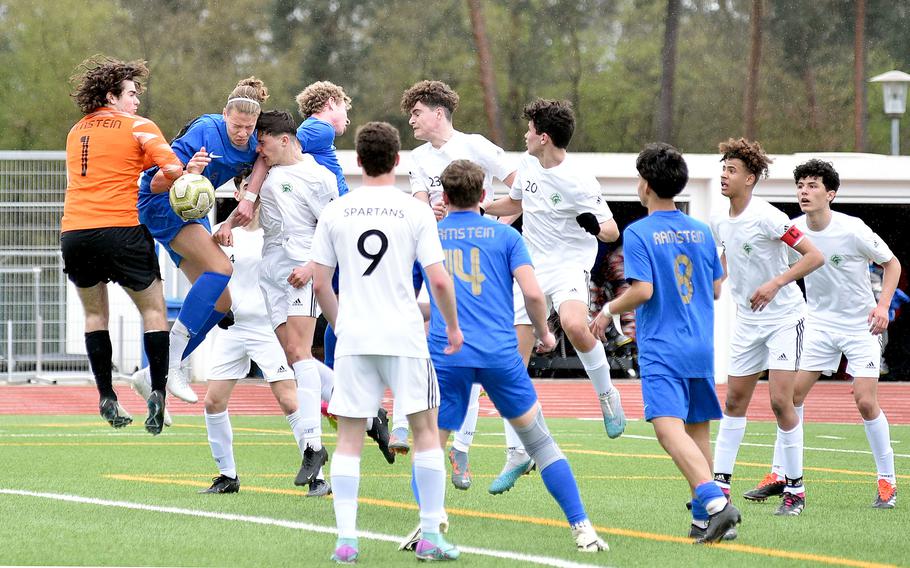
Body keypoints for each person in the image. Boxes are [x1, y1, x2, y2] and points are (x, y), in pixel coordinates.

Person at [405, 159, 608, 553]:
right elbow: (533, 295)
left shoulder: (427, 236)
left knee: (430, 443)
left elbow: (412, 300)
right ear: (483, 196)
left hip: (449, 353)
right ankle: (582, 528)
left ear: (443, 198)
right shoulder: (506, 237)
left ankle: (429, 522)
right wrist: (545, 332)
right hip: (499, 352)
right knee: (542, 444)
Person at [309, 122, 463, 562]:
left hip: (356, 337)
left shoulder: (337, 210)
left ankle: (346, 539)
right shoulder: (414, 211)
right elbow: (438, 279)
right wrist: (451, 327)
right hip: (405, 336)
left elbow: (321, 283)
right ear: (398, 161)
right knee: (426, 433)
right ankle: (431, 535)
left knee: (349, 441)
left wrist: (342, 325)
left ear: (357, 161)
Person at [590, 143, 739, 543]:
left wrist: (606, 311)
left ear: (646, 185)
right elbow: (715, 289)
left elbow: (642, 290)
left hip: (663, 345)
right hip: (700, 344)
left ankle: (715, 503)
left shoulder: (639, 232)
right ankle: (707, 521)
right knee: (698, 431)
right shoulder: (702, 230)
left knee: (666, 428)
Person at [61, 55, 208, 435]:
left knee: (95, 317)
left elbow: (112, 164)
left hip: (75, 233)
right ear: (111, 95)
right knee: (154, 312)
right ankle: (158, 392)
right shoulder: (140, 126)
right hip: (122, 229)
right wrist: (190, 177)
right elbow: (172, 169)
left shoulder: (77, 130)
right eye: (131, 93)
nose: (137, 101)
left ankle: (106, 395)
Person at [394, 79, 524, 491]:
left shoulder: (476, 145)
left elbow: (522, 190)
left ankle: (460, 447)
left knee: (465, 350)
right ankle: (405, 421)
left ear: (437, 112)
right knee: (420, 331)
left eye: (416, 112)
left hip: (478, 258)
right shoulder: (416, 156)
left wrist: (490, 220)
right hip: (437, 253)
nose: (411, 120)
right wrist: (431, 211)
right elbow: (418, 205)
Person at [486, 98, 626, 438]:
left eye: (530, 129)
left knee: (575, 325)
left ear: (544, 136)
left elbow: (611, 230)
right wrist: (479, 208)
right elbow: (516, 203)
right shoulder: (528, 164)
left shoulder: (579, 179)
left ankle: (607, 394)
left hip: (568, 265)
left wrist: (592, 224)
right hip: (531, 266)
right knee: (514, 358)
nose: (525, 135)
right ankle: (518, 449)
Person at [131, 77, 267, 405]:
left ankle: (152, 373)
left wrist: (241, 206)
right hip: (162, 204)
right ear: (224, 115)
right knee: (221, 268)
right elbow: (155, 183)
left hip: (193, 214)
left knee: (221, 304)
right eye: (236, 126)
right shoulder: (204, 131)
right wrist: (185, 170)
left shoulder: (253, 146)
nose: (242, 133)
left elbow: (257, 169)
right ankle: (173, 366)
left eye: (249, 127)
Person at [709, 138, 824, 517]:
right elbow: (723, 266)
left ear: (751, 178)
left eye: (732, 170)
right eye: (723, 169)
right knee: (733, 402)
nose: (724, 176)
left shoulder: (768, 216)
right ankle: (719, 489)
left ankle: (795, 490)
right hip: (747, 321)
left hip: (785, 318)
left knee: (780, 402)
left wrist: (776, 283)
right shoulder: (719, 219)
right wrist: (708, 284)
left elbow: (815, 256)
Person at [203, 179, 338, 497]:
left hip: (267, 327)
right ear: (238, 193)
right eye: (247, 186)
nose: (254, 192)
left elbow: (314, 257)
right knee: (213, 401)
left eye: (259, 186)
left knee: (289, 400)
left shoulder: (276, 233)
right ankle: (227, 476)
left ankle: (317, 476)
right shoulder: (222, 231)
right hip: (233, 328)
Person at [787, 160, 899, 508]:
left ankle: (887, 481)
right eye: (801, 185)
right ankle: (785, 477)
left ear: (830, 194)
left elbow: (892, 264)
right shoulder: (791, 230)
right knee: (789, 399)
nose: (804, 191)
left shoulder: (853, 229)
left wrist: (882, 308)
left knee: (864, 400)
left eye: (813, 186)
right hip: (818, 324)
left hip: (859, 324)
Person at [249, 110, 343, 486]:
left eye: (263, 141)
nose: (259, 149)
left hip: (302, 273)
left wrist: (311, 266)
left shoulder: (319, 177)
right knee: (292, 355)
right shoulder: (266, 172)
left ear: (284, 139)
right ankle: (369, 415)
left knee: (300, 355)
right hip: (271, 274)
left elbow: (332, 231)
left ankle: (313, 447)